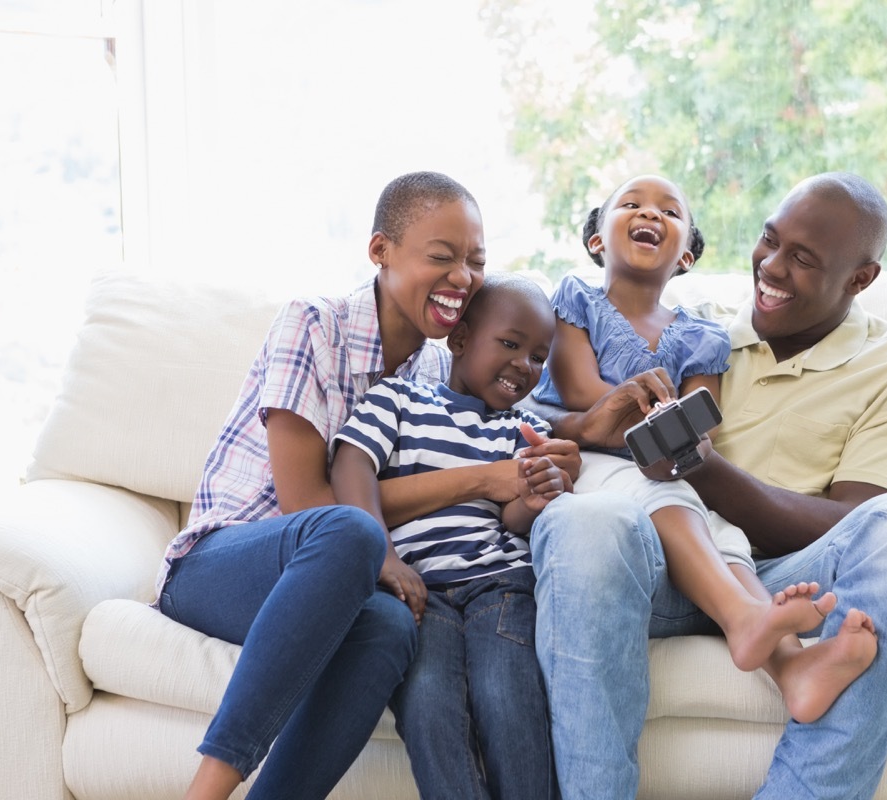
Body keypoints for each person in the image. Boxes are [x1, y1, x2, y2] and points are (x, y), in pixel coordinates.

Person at [528, 172, 887, 799]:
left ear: (861, 278)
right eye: (769, 241)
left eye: (803, 259)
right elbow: (538, 397)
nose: (772, 267)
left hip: (795, 581)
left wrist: (699, 465)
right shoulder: (701, 333)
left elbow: (859, 522)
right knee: (584, 522)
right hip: (653, 573)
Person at [151, 172, 573, 800]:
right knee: (350, 533)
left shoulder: (437, 371)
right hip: (228, 563)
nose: (462, 276)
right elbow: (314, 507)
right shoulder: (313, 325)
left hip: (347, 574)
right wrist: (475, 484)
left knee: (390, 625)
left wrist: (573, 444)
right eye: (442, 256)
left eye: (475, 262)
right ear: (381, 251)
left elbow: (500, 433)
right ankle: (205, 792)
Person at [531, 173, 838, 677]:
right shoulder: (575, 302)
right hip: (588, 459)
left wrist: (678, 438)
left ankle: (790, 665)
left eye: (671, 212)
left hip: (661, 469)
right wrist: (639, 412)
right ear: (595, 240)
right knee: (671, 503)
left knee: (725, 532)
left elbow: (702, 422)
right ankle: (742, 617)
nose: (651, 213)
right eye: (631, 204)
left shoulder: (702, 335)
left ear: (686, 259)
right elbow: (578, 390)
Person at [330, 274, 572, 800]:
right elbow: (351, 469)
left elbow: (513, 519)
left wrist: (535, 498)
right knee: (429, 705)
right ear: (459, 339)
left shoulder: (525, 429)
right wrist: (384, 558)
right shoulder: (397, 398)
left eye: (537, 356)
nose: (523, 366)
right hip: (418, 591)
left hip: (501, 586)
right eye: (509, 344)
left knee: (506, 696)